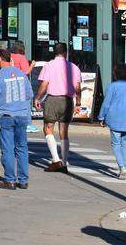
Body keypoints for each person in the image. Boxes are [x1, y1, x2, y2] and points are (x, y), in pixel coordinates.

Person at [0, 47, 33, 189]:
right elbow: (29, 94)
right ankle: (23, 180)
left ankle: (10, 180)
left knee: (8, 149)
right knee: (22, 148)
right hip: (22, 115)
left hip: (6, 115)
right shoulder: (22, 74)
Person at [34, 42, 81, 173]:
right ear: (65, 53)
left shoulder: (49, 65)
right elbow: (78, 88)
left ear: (54, 52)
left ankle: (56, 160)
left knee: (48, 128)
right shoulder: (73, 67)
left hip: (53, 99)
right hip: (67, 100)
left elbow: (44, 84)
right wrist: (78, 103)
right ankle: (64, 163)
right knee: (64, 132)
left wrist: (37, 98)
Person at [99, 63, 126, 179]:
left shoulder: (112, 86)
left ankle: (122, 168)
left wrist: (101, 117)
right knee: (125, 143)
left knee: (116, 144)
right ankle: (124, 166)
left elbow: (106, 104)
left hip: (115, 118)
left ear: (115, 74)